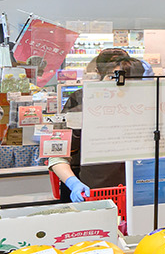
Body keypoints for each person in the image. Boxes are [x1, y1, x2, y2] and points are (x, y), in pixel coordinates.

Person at [47, 47, 142, 202]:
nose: (119, 84)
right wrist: (74, 183)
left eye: (126, 77)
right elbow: (56, 154)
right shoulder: (81, 100)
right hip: (92, 190)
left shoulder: (143, 102)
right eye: (113, 77)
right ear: (101, 73)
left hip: (137, 193)